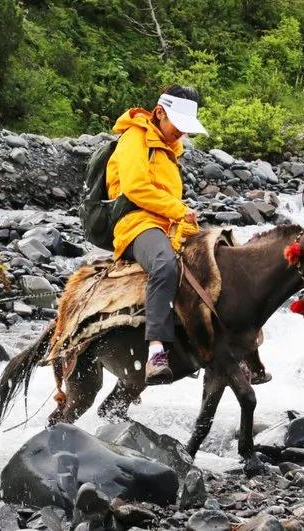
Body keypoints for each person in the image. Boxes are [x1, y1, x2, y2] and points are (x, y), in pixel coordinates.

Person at [105, 85, 206, 384]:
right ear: (160, 113)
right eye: (179, 125)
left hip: (167, 223)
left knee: (216, 256)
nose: (182, 134)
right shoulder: (134, 138)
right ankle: (157, 350)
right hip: (135, 222)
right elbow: (135, 188)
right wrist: (177, 209)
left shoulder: (169, 147)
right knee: (164, 264)